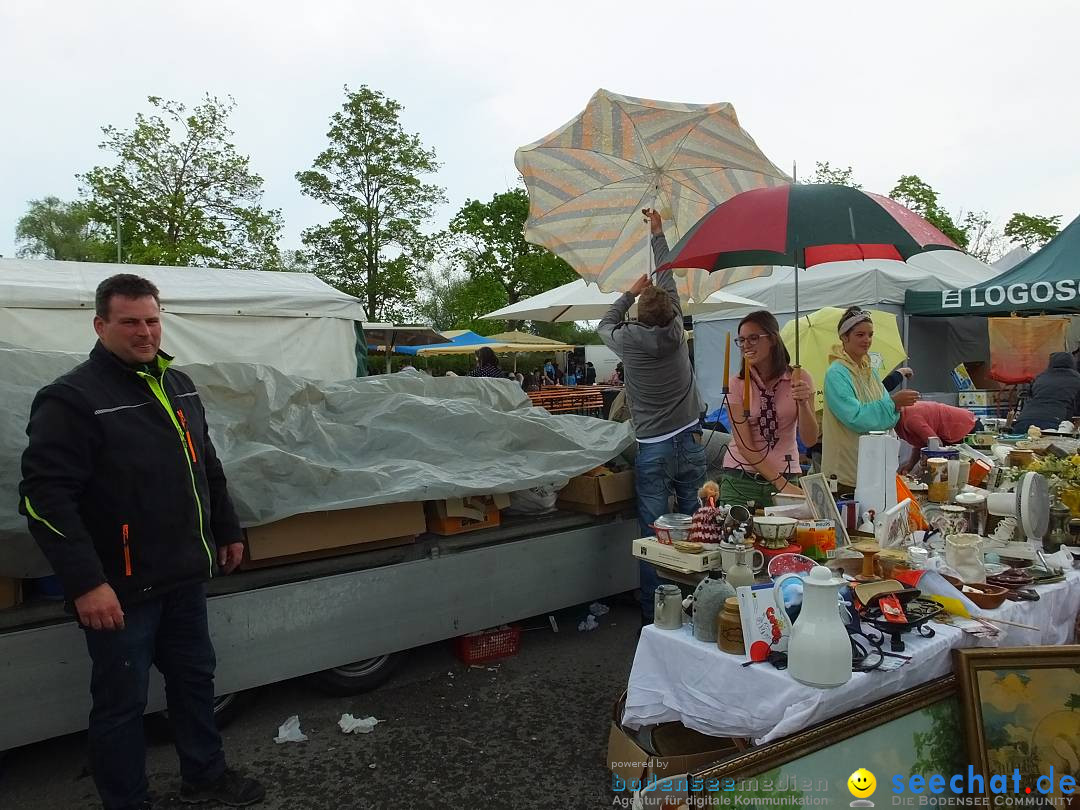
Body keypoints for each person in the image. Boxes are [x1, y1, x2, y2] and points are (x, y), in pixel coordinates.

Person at [19, 274, 265, 810]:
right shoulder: (72, 398)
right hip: (120, 589)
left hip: (182, 575)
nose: (144, 331)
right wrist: (86, 583)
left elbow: (207, 467)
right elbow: (45, 501)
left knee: (195, 682)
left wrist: (227, 529)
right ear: (100, 325)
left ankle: (206, 777)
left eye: (152, 319)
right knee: (121, 705)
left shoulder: (179, 386)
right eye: (129, 321)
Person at [599, 208, 706, 623]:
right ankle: (699, 606)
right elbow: (669, 280)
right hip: (690, 440)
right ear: (669, 312)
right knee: (699, 531)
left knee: (653, 535)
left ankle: (657, 617)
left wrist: (629, 291)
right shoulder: (677, 328)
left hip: (653, 448)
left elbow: (603, 323)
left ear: (640, 316)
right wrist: (659, 234)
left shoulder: (625, 339)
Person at [720, 311, 819, 507]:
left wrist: (804, 404)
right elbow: (744, 446)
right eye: (741, 340)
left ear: (773, 339)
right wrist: (782, 485)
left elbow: (810, 439)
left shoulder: (799, 378)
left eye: (754, 338)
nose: (746, 345)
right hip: (741, 478)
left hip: (787, 472)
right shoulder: (737, 384)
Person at [822, 307, 920, 493]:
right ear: (844, 337)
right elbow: (856, 417)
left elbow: (889, 419)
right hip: (845, 472)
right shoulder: (836, 373)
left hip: (872, 469)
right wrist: (892, 404)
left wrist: (893, 406)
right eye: (860, 334)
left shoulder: (870, 371)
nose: (866, 340)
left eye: (870, 334)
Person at [895, 400, 977, 473]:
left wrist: (922, 470)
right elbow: (921, 443)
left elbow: (935, 444)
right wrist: (910, 465)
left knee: (962, 473)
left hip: (965, 428)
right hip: (957, 429)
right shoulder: (901, 418)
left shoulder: (910, 419)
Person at [1013, 352, 1080, 432]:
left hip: (1024, 420)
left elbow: (1029, 397)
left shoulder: (1040, 377)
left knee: (1021, 444)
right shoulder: (1077, 378)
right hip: (1055, 422)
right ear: (1072, 363)